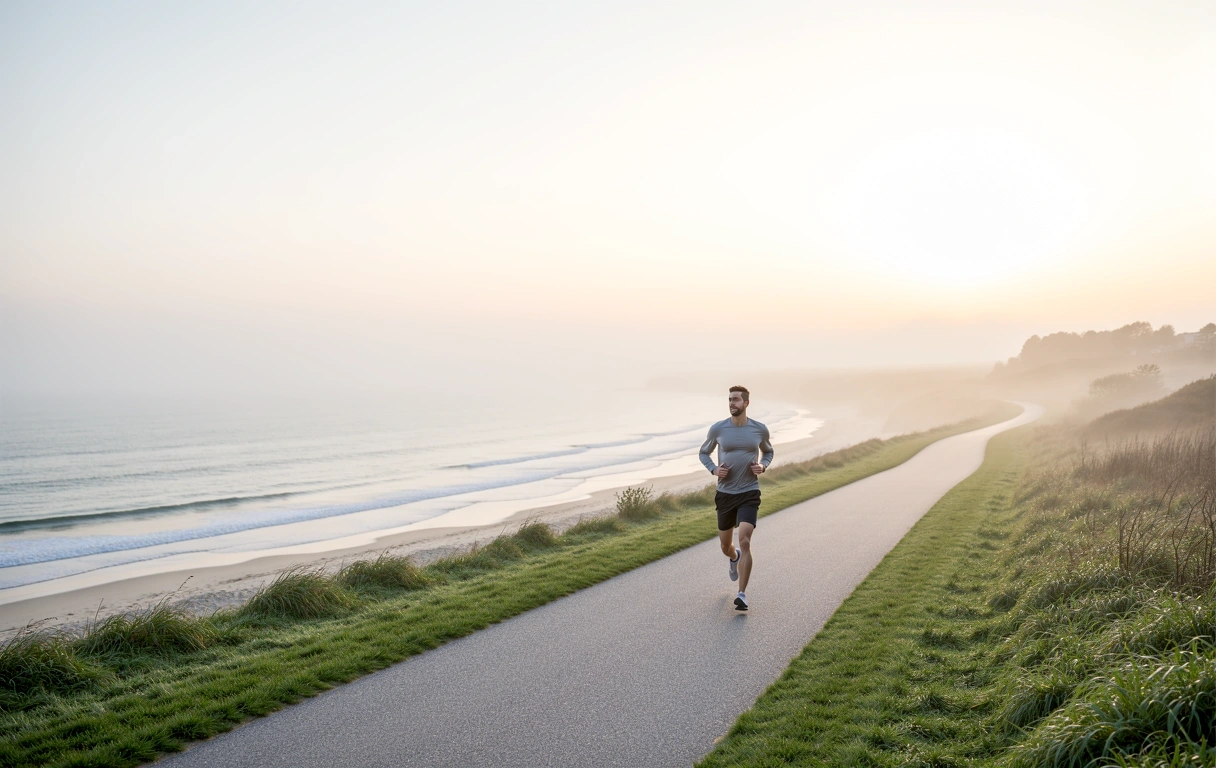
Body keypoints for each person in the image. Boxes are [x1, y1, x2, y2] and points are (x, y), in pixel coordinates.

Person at [698, 385, 773, 611]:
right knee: (726, 546)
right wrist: (713, 469)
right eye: (730, 399)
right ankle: (734, 558)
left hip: (749, 492)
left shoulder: (759, 429)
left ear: (746, 403)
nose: (732, 403)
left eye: (736, 399)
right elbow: (704, 452)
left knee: (745, 540)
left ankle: (742, 594)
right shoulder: (718, 429)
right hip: (725, 494)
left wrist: (763, 466)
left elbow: (768, 451)